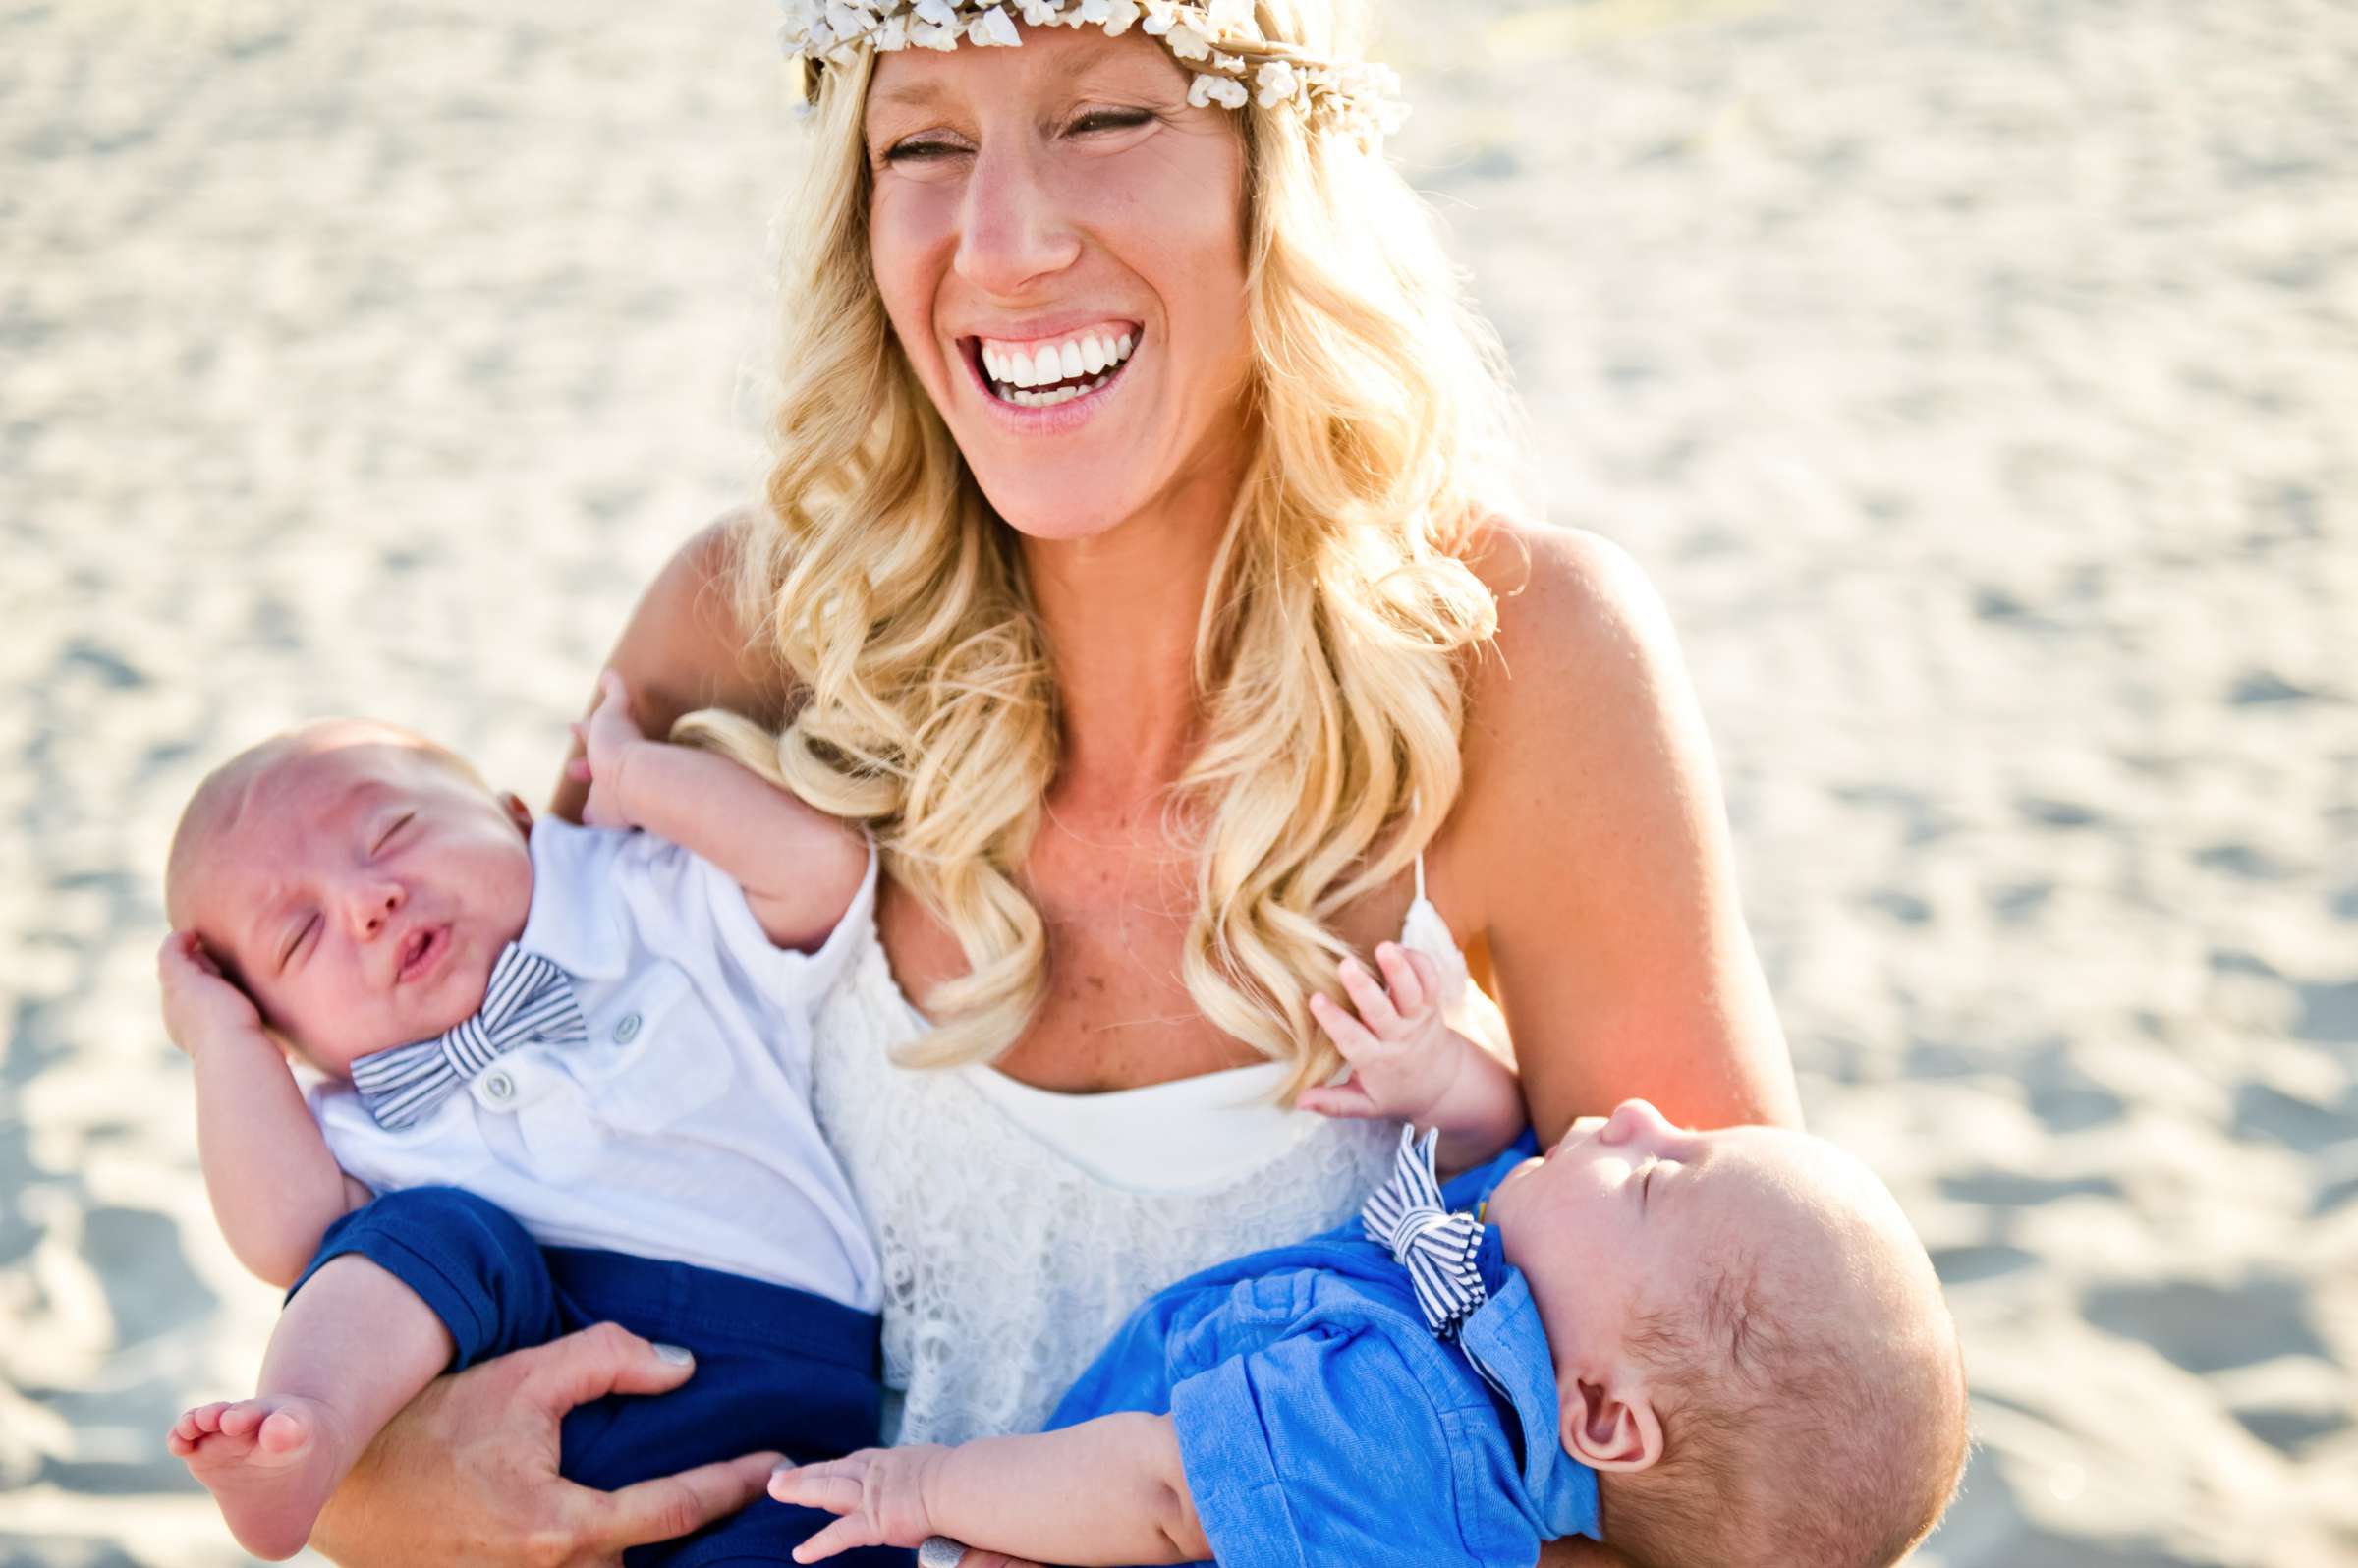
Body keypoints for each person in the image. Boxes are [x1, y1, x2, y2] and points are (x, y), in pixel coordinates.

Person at [303, 4, 1804, 1564]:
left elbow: (1746, 1482)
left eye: (1105, 120)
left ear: (1271, 171)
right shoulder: (742, 641)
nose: (1005, 242)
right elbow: (437, 1180)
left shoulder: (1526, 664)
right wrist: (383, 1493)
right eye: (925, 144)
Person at [156, 678, 904, 1564]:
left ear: (515, 816)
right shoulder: (356, 1119)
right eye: (299, 936)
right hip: (534, 1371)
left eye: (392, 833)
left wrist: (631, 776)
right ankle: (309, 1429)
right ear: (293, 1037)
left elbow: (822, 873)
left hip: (783, 1381)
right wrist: (223, 1040)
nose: (367, 903)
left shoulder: (641, 898)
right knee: (418, 1235)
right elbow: (286, 1237)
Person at [773, 1102, 1968, 1568]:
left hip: (1040, 1516)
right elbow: (1477, 1169)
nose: (1645, 1114)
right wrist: (1460, 1086)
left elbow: (1159, 1493)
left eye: (1657, 1178)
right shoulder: (1524, 1316)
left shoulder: (1410, 1432)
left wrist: (925, 1483)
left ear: (1602, 1416)